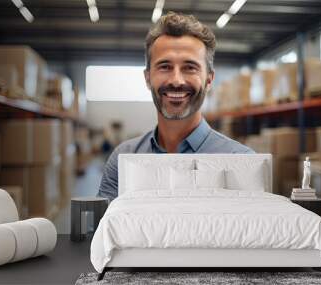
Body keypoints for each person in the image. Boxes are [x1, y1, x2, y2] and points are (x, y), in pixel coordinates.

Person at [98, 12, 254, 201]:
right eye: (165, 66)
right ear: (148, 78)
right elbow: (102, 228)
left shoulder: (241, 161)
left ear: (209, 80)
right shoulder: (123, 159)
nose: (176, 81)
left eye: (190, 67)